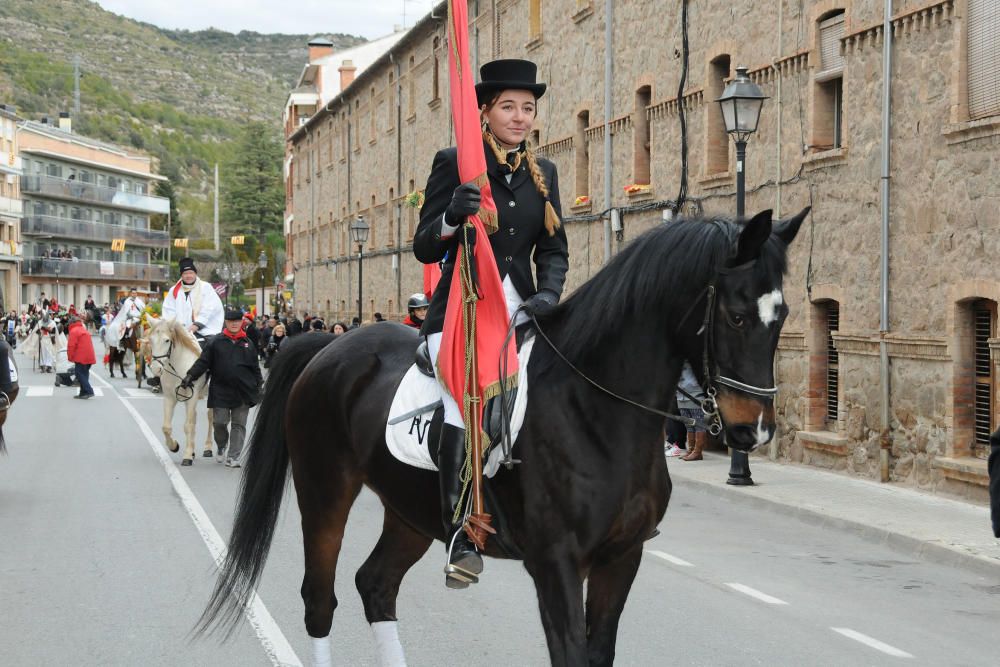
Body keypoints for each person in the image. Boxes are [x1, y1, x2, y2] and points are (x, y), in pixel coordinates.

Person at [413, 58, 569, 587]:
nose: (520, 117)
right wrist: (451, 216)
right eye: (509, 106)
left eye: (528, 108)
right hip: (462, 310)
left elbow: (553, 249)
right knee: (467, 397)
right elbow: (423, 247)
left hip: (520, 311)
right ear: (484, 110)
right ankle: (462, 530)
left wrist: (549, 291)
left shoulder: (543, 174)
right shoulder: (455, 162)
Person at [181, 307, 263, 467]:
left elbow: (255, 367)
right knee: (219, 423)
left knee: (239, 425)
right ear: (226, 322)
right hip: (220, 390)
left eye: (237, 321)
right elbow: (203, 362)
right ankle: (221, 445)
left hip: (243, 391)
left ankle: (233, 457)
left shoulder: (248, 343)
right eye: (231, 321)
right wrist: (190, 376)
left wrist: (259, 384)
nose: (234, 324)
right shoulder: (215, 342)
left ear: (242, 323)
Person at [162, 257, 224, 341]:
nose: (188, 276)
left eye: (191, 273)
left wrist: (195, 326)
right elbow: (168, 310)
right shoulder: (174, 290)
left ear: (195, 274)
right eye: (185, 273)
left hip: (204, 331)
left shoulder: (205, 287)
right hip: (179, 332)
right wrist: (175, 328)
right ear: (181, 275)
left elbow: (209, 309)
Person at [676, 362, 707, 461]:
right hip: (680, 395)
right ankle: (691, 450)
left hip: (695, 394)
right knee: (688, 425)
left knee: (698, 424)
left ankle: (697, 452)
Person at [66, 316, 96, 399]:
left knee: (79, 373)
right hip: (89, 355)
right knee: (84, 374)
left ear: (71, 323)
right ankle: (83, 393)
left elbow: (71, 345)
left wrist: (70, 356)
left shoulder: (73, 331)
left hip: (81, 356)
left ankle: (89, 391)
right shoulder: (83, 329)